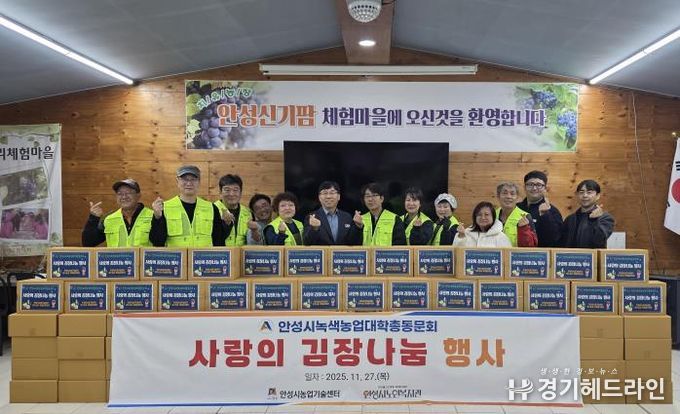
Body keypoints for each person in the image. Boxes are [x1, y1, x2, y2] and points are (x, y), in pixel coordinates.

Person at [149, 165, 228, 247]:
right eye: (185, 179)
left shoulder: (211, 208)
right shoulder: (164, 208)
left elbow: (219, 242)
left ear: (199, 182)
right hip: (177, 255)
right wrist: (157, 218)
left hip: (204, 255)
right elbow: (157, 242)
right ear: (177, 181)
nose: (189, 183)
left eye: (193, 179)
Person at [82, 178, 154, 247]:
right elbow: (88, 243)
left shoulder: (153, 217)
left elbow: (159, 241)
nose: (124, 197)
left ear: (138, 195)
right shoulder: (108, 219)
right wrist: (93, 218)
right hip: (117, 256)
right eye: (120, 194)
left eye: (128, 193)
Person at [560, 180, 615, 248]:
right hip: (570, 255)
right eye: (581, 192)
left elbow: (599, 241)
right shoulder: (570, 219)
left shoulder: (605, 218)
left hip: (592, 255)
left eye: (589, 192)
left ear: (597, 196)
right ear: (577, 195)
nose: (585, 195)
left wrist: (593, 221)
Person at [516, 171, 563, 247]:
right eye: (530, 184)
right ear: (524, 187)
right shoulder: (516, 208)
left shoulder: (552, 211)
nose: (534, 188)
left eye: (539, 185)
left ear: (545, 188)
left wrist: (545, 216)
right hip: (516, 252)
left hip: (542, 253)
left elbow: (556, 239)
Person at [303, 181, 355, 245]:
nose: (328, 196)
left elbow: (354, 242)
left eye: (332, 193)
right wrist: (314, 229)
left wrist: (358, 227)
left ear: (339, 197)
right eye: (325, 193)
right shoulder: (312, 217)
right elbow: (306, 243)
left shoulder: (347, 217)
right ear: (319, 197)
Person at [214, 174, 252, 246]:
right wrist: (225, 225)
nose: (231, 194)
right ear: (220, 192)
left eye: (235, 190)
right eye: (227, 190)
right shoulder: (212, 210)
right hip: (219, 252)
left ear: (241, 193)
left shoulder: (247, 213)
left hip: (241, 252)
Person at [496, 182, 538, 247]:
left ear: (517, 198)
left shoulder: (526, 217)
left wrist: (524, 229)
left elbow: (531, 246)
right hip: (494, 253)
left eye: (512, 194)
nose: (508, 196)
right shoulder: (492, 215)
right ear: (498, 196)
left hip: (515, 253)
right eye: (505, 193)